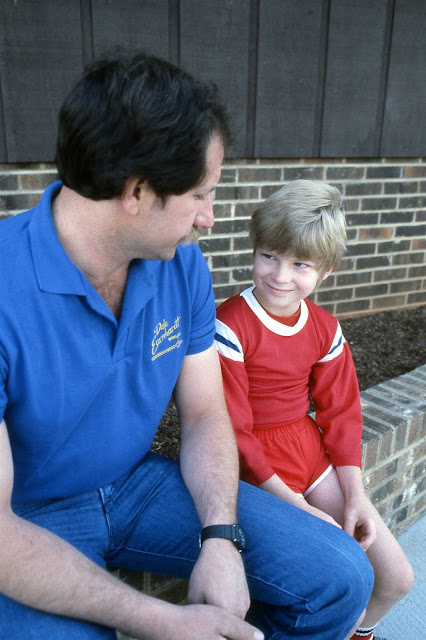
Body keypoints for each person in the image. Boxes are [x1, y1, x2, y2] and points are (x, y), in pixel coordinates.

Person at [0, 54, 374, 640]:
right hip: (28, 518)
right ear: (137, 191)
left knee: (343, 574)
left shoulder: (181, 268)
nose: (209, 218)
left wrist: (221, 536)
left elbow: (204, 414)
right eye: (201, 194)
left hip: (137, 487)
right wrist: (164, 619)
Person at [215, 180, 415, 640]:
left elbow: (341, 413)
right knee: (331, 573)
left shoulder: (325, 328)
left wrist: (356, 495)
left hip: (308, 454)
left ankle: (354, 634)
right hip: (253, 471)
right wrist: (298, 506)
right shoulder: (230, 324)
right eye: (269, 255)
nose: (280, 276)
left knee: (396, 578)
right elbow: (234, 431)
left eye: (300, 264)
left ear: (325, 272)